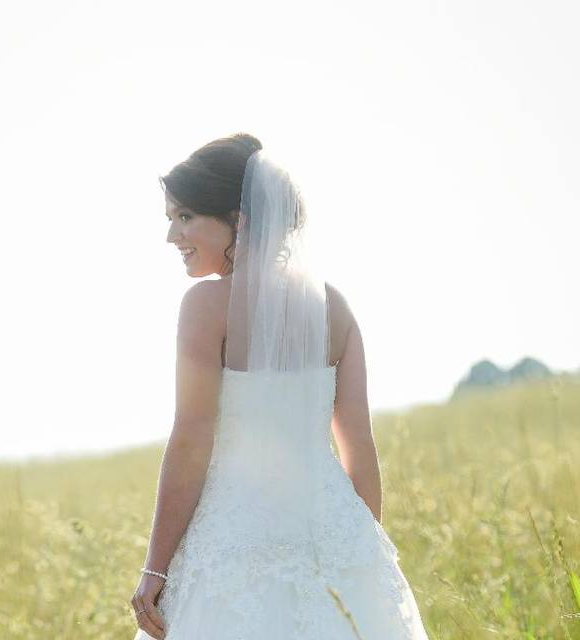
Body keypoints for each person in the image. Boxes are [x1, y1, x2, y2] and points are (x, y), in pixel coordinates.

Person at [131, 133, 430, 639]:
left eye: (185, 218)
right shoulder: (334, 308)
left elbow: (191, 440)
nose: (172, 236)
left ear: (239, 220)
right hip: (335, 537)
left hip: (235, 543)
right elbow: (358, 443)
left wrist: (155, 570)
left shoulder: (205, 307)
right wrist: (362, 548)